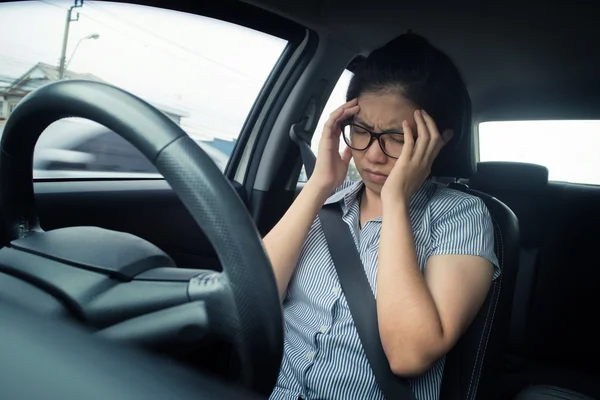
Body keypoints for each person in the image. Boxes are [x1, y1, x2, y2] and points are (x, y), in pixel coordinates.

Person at [265, 32, 500, 400]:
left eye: (398, 138)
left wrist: (395, 203)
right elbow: (249, 299)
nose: (373, 155)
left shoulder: (463, 216)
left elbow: (409, 356)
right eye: (360, 131)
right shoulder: (323, 204)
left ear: (439, 141)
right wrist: (317, 187)